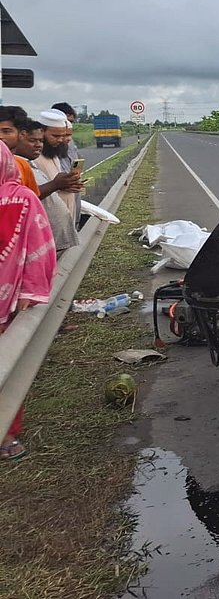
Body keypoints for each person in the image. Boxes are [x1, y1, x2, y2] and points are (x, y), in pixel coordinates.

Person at [0, 141, 57, 461]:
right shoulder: (23, 198)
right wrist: (31, 292)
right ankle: (6, 436)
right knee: (7, 365)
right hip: (11, 301)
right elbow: (41, 248)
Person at [31, 110, 81, 257]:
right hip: (44, 231)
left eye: (63, 135)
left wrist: (66, 184)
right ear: (42, 132)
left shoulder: (54, 153)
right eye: (55, 136)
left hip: (62, 227)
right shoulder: (32, 156)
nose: (61, 140)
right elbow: (31, 192)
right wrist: (56, 184)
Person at [0, 107, 40, 193]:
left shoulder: (23, 165)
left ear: (22, 134)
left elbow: (31, 200)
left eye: (6, 131)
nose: (0, 136)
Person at [50, 102, 80, 167]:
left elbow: (76, 160)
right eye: (66, 122)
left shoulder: (70, 141)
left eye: (71, 122)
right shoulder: (46, 146)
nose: (69, 125)